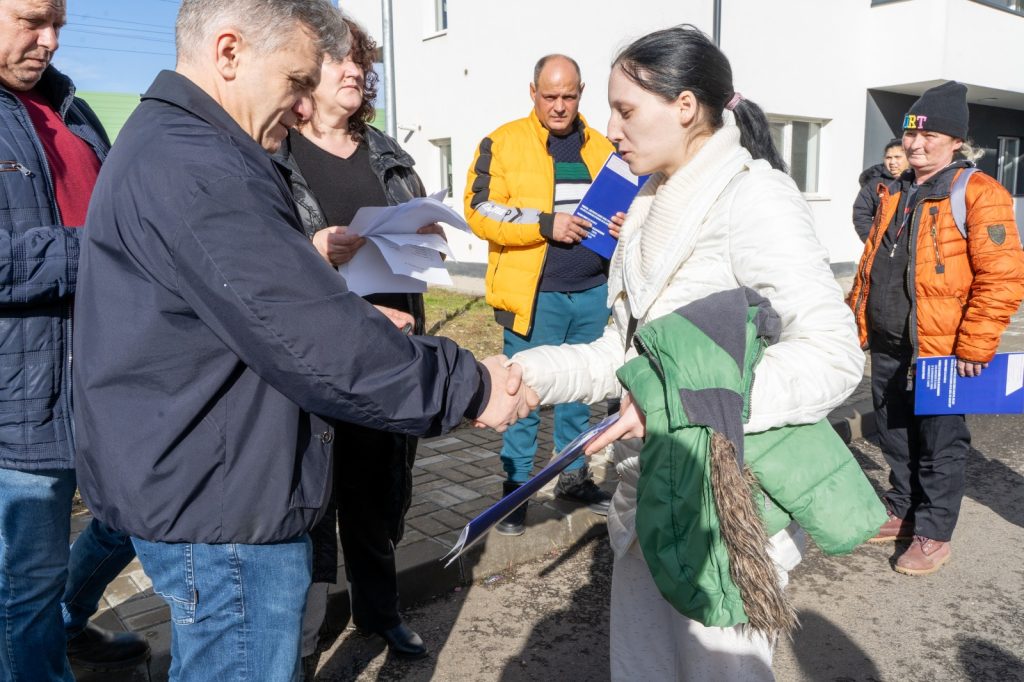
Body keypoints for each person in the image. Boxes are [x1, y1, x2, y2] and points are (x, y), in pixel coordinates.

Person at [71, 1, 531, 679]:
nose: (301, 105)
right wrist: (470, 385)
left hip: (213, 477)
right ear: (230, 52)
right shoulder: (200, 165)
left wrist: (353, 324)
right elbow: (307, 335)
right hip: (227, 507)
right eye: (295, 81)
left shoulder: (181, 144)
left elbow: (252, 312)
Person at [509, 26, 864, 679]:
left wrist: (674, 405)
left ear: (685, 106)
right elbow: (625, 354)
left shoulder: (753, 198)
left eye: (625, 110)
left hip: (723, 508)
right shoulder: (644, 203)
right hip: (645, 495)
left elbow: (833, 354)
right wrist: (526, 374)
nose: (610, 129)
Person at [273, 18, 438, 671]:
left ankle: (380, 612)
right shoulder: (275, 152)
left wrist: (425, 237)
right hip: (314, 358)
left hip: (388, 354)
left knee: (375, 491)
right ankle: (304, 643)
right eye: (340, 59)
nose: (355, 71)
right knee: (312, 503)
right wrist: (316, 257)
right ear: (305, 71)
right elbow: (258, 256)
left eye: (361, 61)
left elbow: (413, 235)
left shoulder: (385, 152)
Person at [0, 1, 151, 677]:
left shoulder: (74, 111)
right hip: (20, 398)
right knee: (25, 584)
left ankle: (69, 625)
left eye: (59, 24)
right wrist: (100, 250)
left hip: (111, 377)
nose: (51, 40)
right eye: (32, 20)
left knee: (137, 520)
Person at [848, 81, 1024, 575]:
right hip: (889, 342)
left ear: (955, 142)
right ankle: (903, 508)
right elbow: (872, 264)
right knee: (893, 433)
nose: (916, 144)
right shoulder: (893, 190)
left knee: (940, 443)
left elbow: (1003, 277)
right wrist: (855, 319)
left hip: (942, 349)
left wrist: (975, 344)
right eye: (911, 134)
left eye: (930, 136)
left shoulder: (979, 193)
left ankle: (934, 532)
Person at [464, 54, 615, 535]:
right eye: (550, 96)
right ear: (533, 93)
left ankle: (573, 477)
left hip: (592, 291)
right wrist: (545, 224)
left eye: (569, 96)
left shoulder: (604, 148)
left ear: (581, 92)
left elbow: (628, 203)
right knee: (521, 395)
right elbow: (480, 209)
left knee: (580, 396)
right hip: (535, 298)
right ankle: (515, 492)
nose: (559, 106)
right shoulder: (502, 142)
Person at [852, 139, 909, 241]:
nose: (892, 162)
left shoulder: (918, 182)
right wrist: (874, 241)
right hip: (882, 245)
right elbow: (861, 215)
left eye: (897, 157)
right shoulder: (874, 184)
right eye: (888, 158)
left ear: (909, 158)